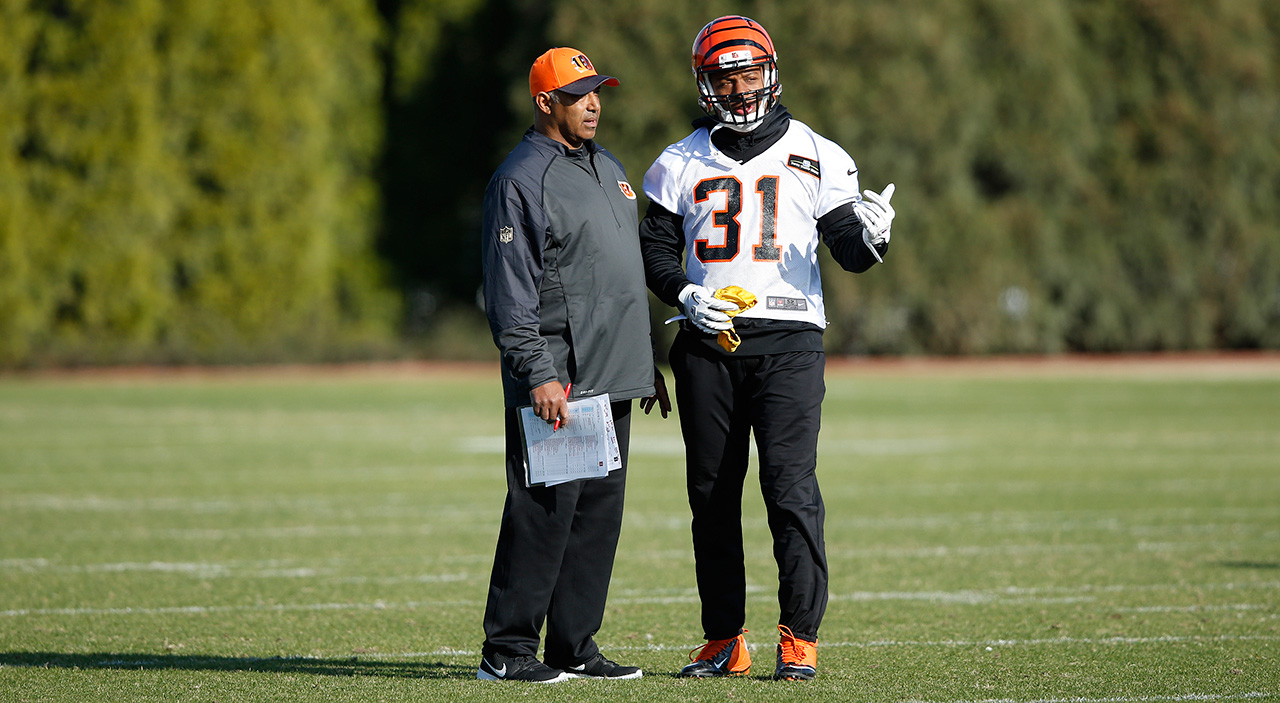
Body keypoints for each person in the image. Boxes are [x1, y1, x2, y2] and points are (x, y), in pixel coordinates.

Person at [639, 16, 897, 681]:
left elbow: (846, 246)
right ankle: (725, 638)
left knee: (788, 488)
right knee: (712, 494)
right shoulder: (677, 161)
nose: (739, 86)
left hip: (788, 342)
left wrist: (871, 239)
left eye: (749, 72)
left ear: (772, 72)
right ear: (704, 83)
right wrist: (683, 293)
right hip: (705, 341)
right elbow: (656, 251)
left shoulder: (818, 151)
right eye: (726, 75)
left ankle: (799, 638)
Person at [476, 46, 670, 684]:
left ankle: (572, 647)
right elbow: (511, 291)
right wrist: (537, 373)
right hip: (561, 379)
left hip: (612, 377)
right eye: (580, 94)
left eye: (597, 91)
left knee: (595, 521)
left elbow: (618, 279)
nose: (594, 103)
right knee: (544, 514)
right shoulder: (519, 178)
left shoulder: (608, 167)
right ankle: (506, 652)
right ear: (544, 102)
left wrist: (644, 368)